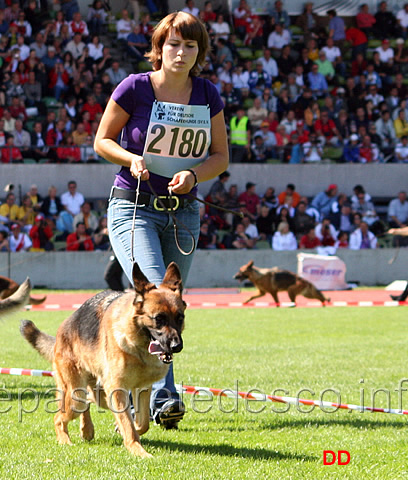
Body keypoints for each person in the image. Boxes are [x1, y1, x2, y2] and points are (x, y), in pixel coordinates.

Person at [94, 12, 229, 429]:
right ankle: (165, 396)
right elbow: (102, 140)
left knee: (170, 304)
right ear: (159, 48)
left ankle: (131, 384)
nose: (181, 52)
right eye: (173, 44)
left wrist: (194, 175)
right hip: (133, 205)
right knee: (156, 291)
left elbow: (221, 158)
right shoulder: (134, 88)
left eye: (190, 45)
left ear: (199, 52)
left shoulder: (208, 94)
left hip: (184, 213)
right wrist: (130, 157)